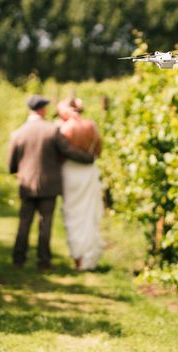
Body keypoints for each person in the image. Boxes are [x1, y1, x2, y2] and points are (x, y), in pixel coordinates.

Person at [8, 94, 94, 270]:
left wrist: (18, 172)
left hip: (26, 183)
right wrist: (88, 158)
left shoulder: (18, 133)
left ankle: (18, 259)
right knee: (45, 222)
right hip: (49, 183)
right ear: (42, 109)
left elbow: (12, 163)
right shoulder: (52, 130)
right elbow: (69, 151)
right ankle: (44, 261)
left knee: (24, 221)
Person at [57, 97, 105, 271]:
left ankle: (78, 259)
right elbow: (98, 150)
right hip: (89, 172)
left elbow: (60, 154)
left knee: (73, 214)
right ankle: (90, 258)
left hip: (70, 173)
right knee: (87, 214)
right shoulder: (91, 126)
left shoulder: (64, 128)